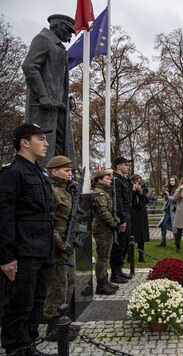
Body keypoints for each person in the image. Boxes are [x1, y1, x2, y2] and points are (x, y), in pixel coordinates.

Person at [0, 123, 54, 356]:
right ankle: (14, 348)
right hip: (23, 249)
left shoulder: (38, 171)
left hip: (42, 247)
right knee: (19, 302)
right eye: (40, 139)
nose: (46, 143)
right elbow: (4, 216)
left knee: (37, 299)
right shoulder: (12, 172)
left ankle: (28, 344)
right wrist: (6, 256)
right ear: (24, 142)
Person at [22, 15, 77, 167]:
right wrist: (43, 96)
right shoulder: (43, 39)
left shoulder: (60, 48)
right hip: (44, 107)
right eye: (68, 31)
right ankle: (43, 177)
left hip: (59, 106)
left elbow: (58, 81)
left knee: (59, 143)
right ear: (57, 26)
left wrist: (66, 99)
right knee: (43, 143)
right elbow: (29, 66)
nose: (70, 36)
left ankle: (58, 177)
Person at [42, 156, 79, 342]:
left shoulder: (66, 190)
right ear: (54, 171)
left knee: (69, 281)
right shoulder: (50, 190)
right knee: (57, 286)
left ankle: (63, 321)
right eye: (66, 170)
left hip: (68, 243)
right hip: (57, 245)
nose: (70, 173)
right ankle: (52, 326)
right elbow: (49, 223)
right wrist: (62, 244)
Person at [91, 169, 119, 294]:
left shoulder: (104, 192)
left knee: (105, 256)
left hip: (106, 228)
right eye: (107, 178)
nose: (110, 180)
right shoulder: (99, 193)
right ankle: (101, 285)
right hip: (102, 228)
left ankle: (105, 281)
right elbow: (103, 212)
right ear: (99, 180)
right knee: (102, 257)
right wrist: (114, 224)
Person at [110, 157, 133, 284]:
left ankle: (119, 270)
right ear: (118, 166)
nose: (128, 167)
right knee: (118, 245)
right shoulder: (116, 181)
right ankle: (115, 273)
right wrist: (121, 220)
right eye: (125, 165)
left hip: (127, 214)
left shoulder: (124, 180)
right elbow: (117, 201)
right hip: (122, 215)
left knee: (123, 245)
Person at [130, 174, 150, 262]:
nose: (138, 183)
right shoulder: (130, 188)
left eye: (140, 181)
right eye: (137, 181)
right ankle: (130, 257)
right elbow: (129, 199)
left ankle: (141, 257)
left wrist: (141, 192)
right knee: (132, 236)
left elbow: (146, 200)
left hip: (142, 214)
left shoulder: (143, 189)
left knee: (141, 236)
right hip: (133, 214)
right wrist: (134, 190)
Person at [159, 176, 178, 247]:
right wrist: (164, 194)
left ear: (175, 181)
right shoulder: (168, 189)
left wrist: (168, 195)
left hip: (174, 210)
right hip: (167, 210)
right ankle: (163, 241)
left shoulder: (177, 189)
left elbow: (175, 199)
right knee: (163, 225)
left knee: (175, 227)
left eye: (173, 180)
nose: (171, 182)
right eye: (170, 181)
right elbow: (166, 200)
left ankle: (176, 242)